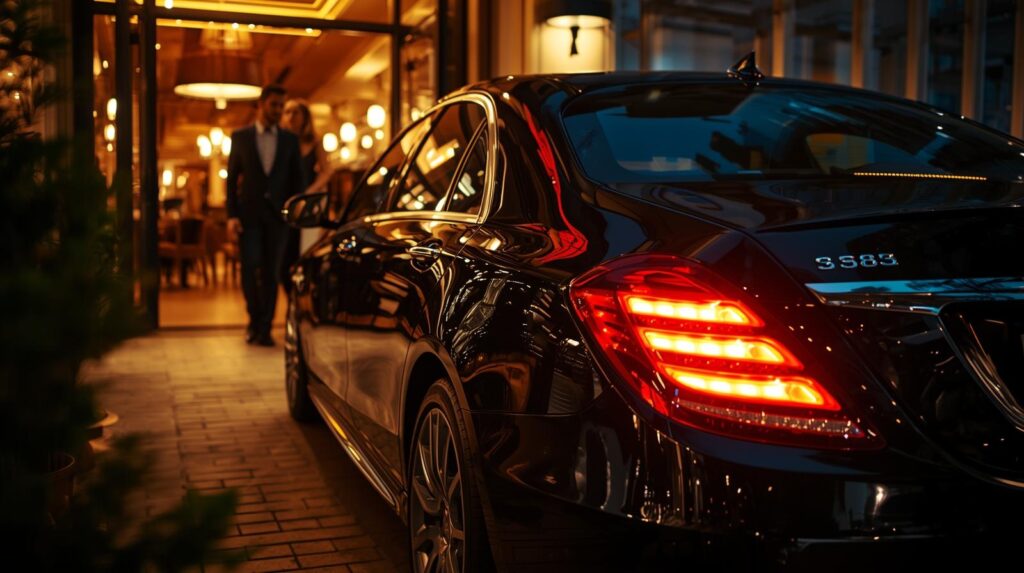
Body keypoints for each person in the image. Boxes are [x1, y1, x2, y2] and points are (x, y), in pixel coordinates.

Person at [226, 84, 306, 346]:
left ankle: (265, 329)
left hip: (278, 219)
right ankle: (253, 321)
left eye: (281, 106)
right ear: (261, 104)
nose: (278, 110)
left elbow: (298, 182)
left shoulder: (290, 140)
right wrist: (232, 215)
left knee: (272, 273)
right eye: (274, 105)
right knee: (250, 269)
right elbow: (232, 179)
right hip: (248, 216)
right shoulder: (240, 137)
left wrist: (294, 214)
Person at [280, 99, 334, 286]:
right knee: (283, 257)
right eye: (287, 112)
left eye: (295, 112)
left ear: (304, 117)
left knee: (304, 252)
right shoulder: (281, 142)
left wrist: (310, 191)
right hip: (284, 203)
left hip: (305, 205)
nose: (291, 117)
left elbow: (327, 171)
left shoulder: (314, 142)